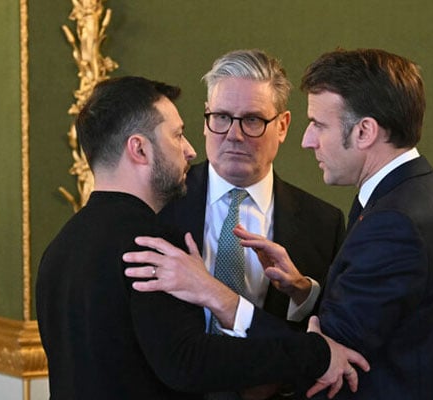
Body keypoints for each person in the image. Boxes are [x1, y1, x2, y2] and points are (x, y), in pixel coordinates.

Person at [124, 48, 433, 400]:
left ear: (364, 132)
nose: (308, 141)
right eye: (220, 117)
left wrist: (218, 296)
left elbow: (329, 357)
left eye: (252, 120)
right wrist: (305, 294)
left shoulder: (365, 221)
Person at [35, 76, 368, 400]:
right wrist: (316, 354)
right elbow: (188, 361)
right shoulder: (151, 244)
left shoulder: (60, 246)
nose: (191, 150)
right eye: (177, 135)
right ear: (139, 149)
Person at [159, 49, 344, 329]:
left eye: (252, 120)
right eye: (221, 117)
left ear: (282, 126)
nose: (234, 135)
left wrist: (302, 292)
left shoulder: (323, 224)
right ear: (206, 118)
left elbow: (334, 325)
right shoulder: (159, 204)